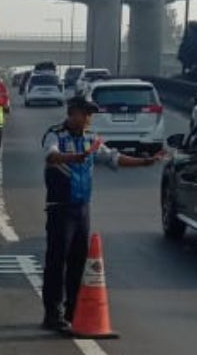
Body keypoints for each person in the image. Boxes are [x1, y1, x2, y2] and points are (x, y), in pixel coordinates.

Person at [41, 96, 164, 333]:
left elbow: (113, 158)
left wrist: (145, 162)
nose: (89, 119)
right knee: (57, 261)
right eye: (85, 114)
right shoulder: (55, 133)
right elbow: (51, 155)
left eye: (91, 114)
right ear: (72, 113)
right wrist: (74, 158)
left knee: (78, 261)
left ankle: (72, 310)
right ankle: (52, 313)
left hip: (82, 207)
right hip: (60, 207)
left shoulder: (90, 138)